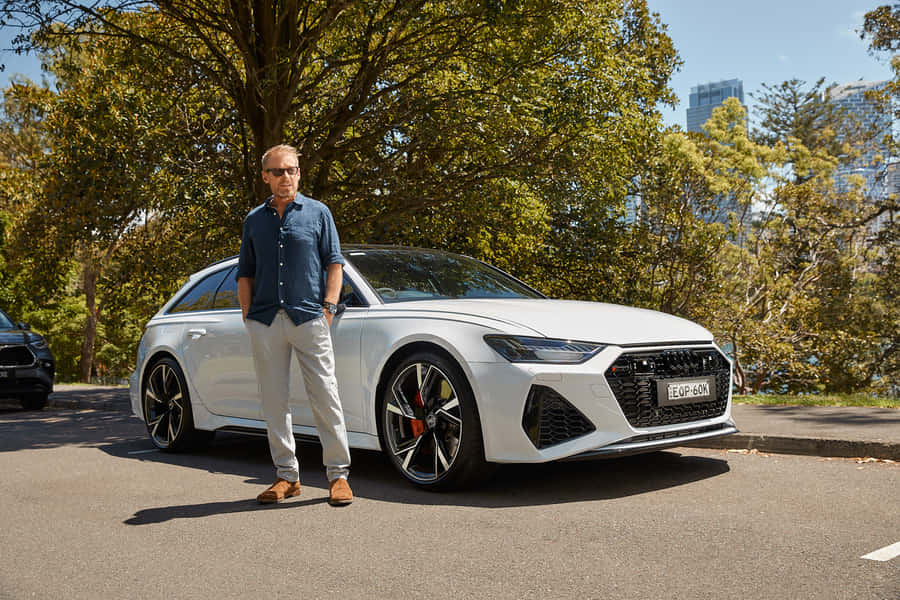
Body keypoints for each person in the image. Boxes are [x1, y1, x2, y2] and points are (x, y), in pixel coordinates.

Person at [236, 144, 353, 506]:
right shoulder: (254, 220)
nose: (286, 177)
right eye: (278, 171)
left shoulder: (319, 213)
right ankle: (287, 476)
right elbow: (246, 274)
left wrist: (328, 309)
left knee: (325, 397)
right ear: (265, 177)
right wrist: (248, 317)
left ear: (299, 173)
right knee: (274, 401)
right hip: (266, 320)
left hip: (309, 318)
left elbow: (334, 264)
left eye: (292, 170)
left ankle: (338, 476)